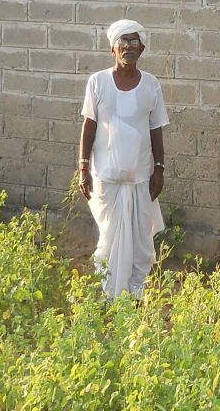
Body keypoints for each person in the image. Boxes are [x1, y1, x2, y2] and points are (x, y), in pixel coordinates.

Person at [78, 19, 169, 299]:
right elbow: (89, 126)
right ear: (113, 49)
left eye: (133, 42)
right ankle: (110, 296)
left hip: (141, 177)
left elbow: (156, 130)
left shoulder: (151, 85)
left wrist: (159, 168)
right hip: (106, 176)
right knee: (109, 240)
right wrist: (83, 167)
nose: (128, 47)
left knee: (141, 242)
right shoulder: (98, 82)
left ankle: (135, 294)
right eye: (123, 42)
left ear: (142, 48)